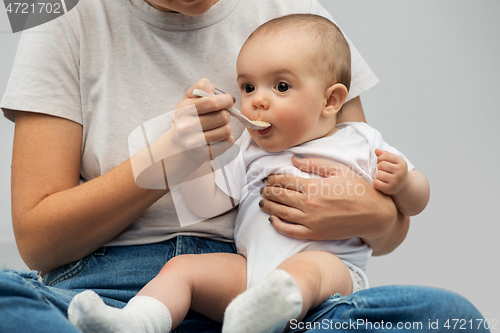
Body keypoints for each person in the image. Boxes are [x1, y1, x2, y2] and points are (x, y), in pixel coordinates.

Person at [0, 0, 487, 332]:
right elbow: (38, 241)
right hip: (119, 288)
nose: (256, 102)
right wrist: (163, 162)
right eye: (248, 88)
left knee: (452, 316)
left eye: (277, 88)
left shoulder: (299, 17)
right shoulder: (52, 9)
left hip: (283, 294)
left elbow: (390, 223)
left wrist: (369, 212)